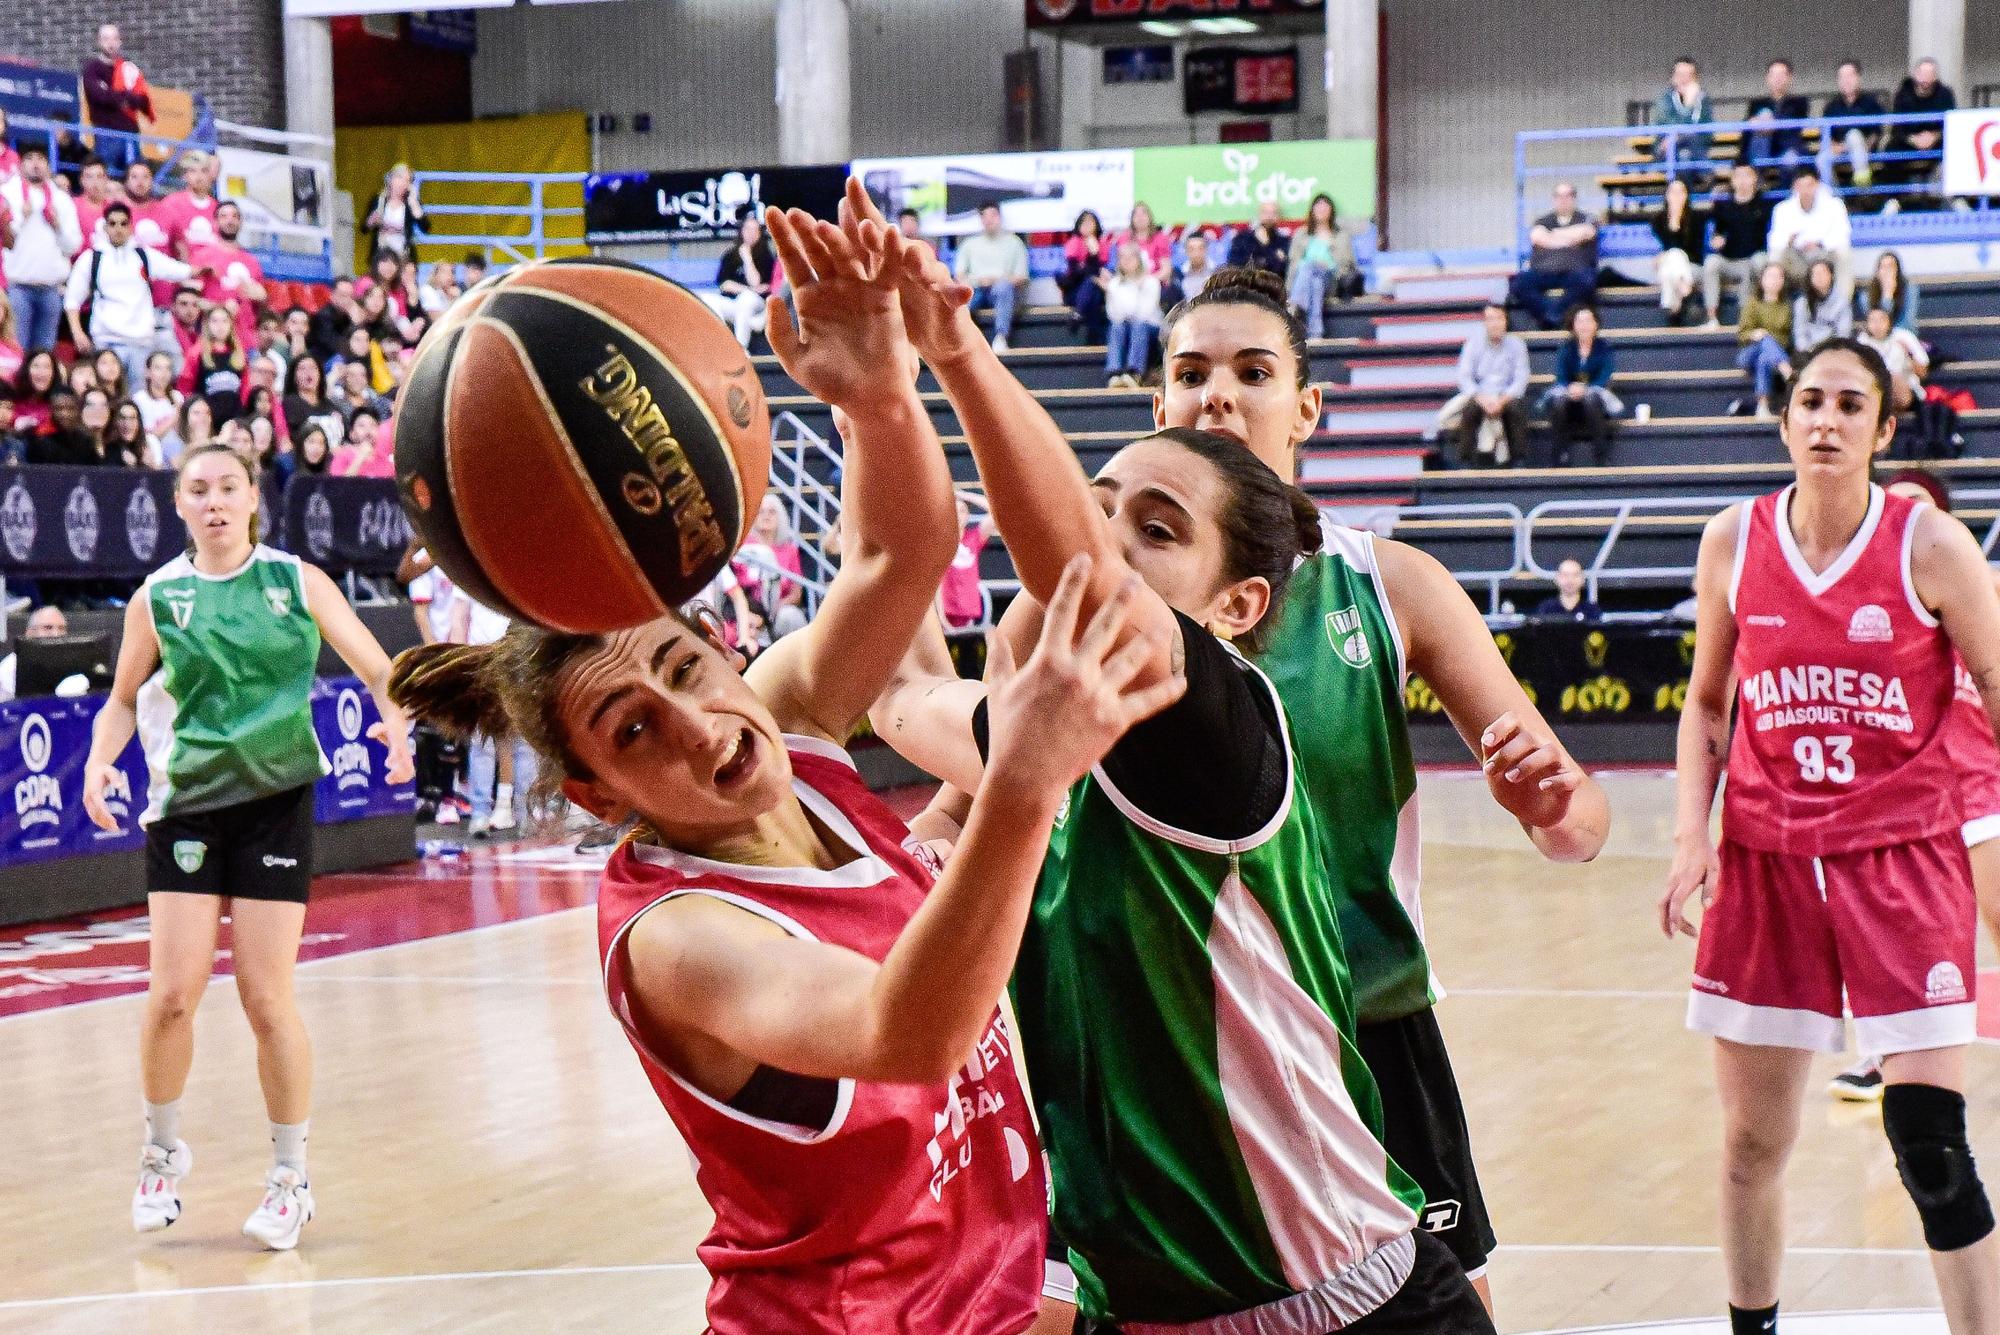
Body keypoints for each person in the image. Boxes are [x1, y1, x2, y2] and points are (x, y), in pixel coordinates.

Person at [386, 197, 1122, 1333]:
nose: (692, 724)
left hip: (997, 1298)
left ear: (722, 650)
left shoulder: (784, 732)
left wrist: (877, 392)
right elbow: (904, 1033)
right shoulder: (676, 939)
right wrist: (1016, 781)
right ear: (597, 795)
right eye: (631, 732)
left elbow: (900, 551)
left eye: (683, 670)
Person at [868, 231, 1603, 1331]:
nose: (1215, 398)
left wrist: (1551, 804)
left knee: (1413, 1290)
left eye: (1251, 374)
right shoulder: (1052, 619)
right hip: (1136, 1037)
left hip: (1356, 1026)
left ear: (1306, 408)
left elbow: (1578, 824)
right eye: (1189, 373)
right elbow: (946, 764)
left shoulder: (1381, 586)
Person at [1661, 338, 2000, 1335]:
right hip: (1768, 864)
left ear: (1882, 430)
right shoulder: (1732, 538)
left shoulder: (1928, 544)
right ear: (1781, 419)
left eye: (1849, 405)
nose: (1823, 419)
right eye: (1807, 400)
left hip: (1902, 859)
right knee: (1750, 1144)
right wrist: (1692, 836)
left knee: (1927, 1137)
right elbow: (1706, 704)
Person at [83, 442, 415, 1250]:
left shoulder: (296, 581)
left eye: (229, 486)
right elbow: (123, 700)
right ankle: (161, 1153)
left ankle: (291, 1180)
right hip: (188, 808)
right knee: (171, 995)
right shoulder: (159, 597)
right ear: (181, 505)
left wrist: (396, 722)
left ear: (252, 500)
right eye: (199, 489)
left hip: (274, 803)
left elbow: (379, 668)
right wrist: (99, 759)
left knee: (267, 998)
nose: (216, 501)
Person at [1833, 471, 2000, 1100]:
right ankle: (1882, 1060)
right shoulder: (1857, 608)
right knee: (1889, 942)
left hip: (1979, 786)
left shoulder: (1980, 587)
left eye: (1918, 507)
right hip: (1899, 802)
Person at [65, 201, 198, 390]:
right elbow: (72, 299)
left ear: (130, 226)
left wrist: (203, 270)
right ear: (105, 227)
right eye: (112, 224)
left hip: (140, 342)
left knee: (137, 398)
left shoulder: (143, 255)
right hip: (106, 341)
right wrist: (77, 332)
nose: (118, 229)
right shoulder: (92, 258)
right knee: (107, 396)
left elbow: (177, 270)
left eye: (123, 223)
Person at [2, 142, 84, 352]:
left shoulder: (62, 200)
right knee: (16, 347)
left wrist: (57, 226)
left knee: (44, 354)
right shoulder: (7, 195)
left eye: (40, 159)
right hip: (17, 286)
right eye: (29, 158)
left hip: (51, 288)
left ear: (48, 165)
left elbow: (73, 245)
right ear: (20, 164)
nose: (35, 164)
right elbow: (4, 240)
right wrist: (21, 217)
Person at [1510, 183, 1599, 331]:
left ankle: (1553, 315)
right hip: (1544, 270)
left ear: (1574, 198)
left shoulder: (1587, 218)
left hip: (1575, 270)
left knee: (1587, 282)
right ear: (1554, 199)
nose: (1562, 200)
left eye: (1567, 195)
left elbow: (1586, 232)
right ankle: (1552, 314)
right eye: (1558, 196)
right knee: (1519, 283)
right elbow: (1537, 236)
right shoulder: (1542, 220)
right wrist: (1571, 238)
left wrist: (1552, 236)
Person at [1452, 303, 1529, 467]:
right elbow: (1464, 377)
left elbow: (1521, 380)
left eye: (1498, 318)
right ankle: (1465, 462)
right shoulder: (1472, 344)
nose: (1495, 323)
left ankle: (1519, 461)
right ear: (1485, 323)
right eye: (1490, 319)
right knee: (1470, 408)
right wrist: (1482, 399)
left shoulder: (1517, 345)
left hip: (1506, 395)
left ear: (1505, 321)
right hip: (1482, 395)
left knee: (1516, 407)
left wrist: (1501, 401)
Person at [1543, 305, 1618, 466]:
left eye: (1588, 321)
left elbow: (1605, 376)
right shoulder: (1566, 348)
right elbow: (1561, 376)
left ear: (1595, 324)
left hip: (1594, 399)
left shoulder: (1603, 348)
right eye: (1580, 321)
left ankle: (1601, 454)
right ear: (1573, 325)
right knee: (1557, 402)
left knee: (1592, 399)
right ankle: (1559, 454)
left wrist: (1585, 389)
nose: (1584, 325)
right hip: (1570, 398)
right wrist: (1570, 388)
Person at [1769, 165, 1852, 306]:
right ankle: (1773, 306)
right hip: (1797, 259)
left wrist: (1819, 243)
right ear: (1795, 186)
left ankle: (1842, 305)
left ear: (1817, 185)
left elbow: (1842, 235)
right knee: (1775, 257)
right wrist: (1790, 241)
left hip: (1824, 256)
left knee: (1844, 254)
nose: (1805, 191)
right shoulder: (1782, 209)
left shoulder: (1834, 205)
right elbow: (1775, 241)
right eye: (1801, 186)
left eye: (1809, 185)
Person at [191, 202, 268, 351]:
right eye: (224, 216)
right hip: (213, 341)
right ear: (215, 222)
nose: (230, 220)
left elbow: (260, 307)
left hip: (247, 341)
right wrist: (222, 308)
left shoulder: (252, 261)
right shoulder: (202, 258)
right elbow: (193, 301)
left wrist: (264, 299)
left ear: (240, 222)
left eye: (235, 216)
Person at [1883, 58, 1959, 206]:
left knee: (1956, 148)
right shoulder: (1903, 95)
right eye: (1922, 73)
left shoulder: (1945, 94)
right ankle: (1893, 199)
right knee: (1890, 150)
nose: (1925, 78)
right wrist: (1913, 139)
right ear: (1915, 75)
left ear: (1936, 76)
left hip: (1937, 141)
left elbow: (1952, 123)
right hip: (1909, 142)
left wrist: (1935, 136)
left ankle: (1957, 198)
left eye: (1929, 74)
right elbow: (1897, 127)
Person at [956, 202, 1029, 352]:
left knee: (1003, 288)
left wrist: (997, 280)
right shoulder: (969, 244)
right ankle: (958, 340)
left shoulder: (1014, 243)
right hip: (976, 287)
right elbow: (959, 275)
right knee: (964, 294)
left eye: (993, 215)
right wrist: (975, 282)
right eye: (985, 216)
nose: (989, 220)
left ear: (1000, 217)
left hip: (1004, 289)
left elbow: (1021, 277)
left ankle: (1001, 337)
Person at [734, 493, 808, 641]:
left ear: (780, 517)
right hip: (747, 608)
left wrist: (776, 609)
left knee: (791, 616)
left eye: (772, 512)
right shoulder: (743, 547)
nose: (766, 516)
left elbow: (796, 593)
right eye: (760, 511)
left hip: (778, 610)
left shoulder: (790, 550)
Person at [1285, 192, 1360, 337]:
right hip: (1307, 281)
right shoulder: (1301, 234)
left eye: (1325, 209)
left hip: (1332, 279)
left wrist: (1327, 265)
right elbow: (1294, 263)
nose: (1321, 212)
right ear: (1312, 211)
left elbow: (1348, 265)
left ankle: (1295, 305)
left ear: (1331, 212)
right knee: (1314, 280)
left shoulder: (1341, 236)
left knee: (1314, 270)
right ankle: (1315, 333)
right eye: (1318, 209)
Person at [80, 24, 151, 172]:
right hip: (106, 134)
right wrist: (126, 97)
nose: (110, 43)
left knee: (135, 177)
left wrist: (115, 96)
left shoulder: (128, 67)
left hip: (131, 133)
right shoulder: (92, 69)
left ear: (120, 41)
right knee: (108, 175)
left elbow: (143, 100)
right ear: (99, 42)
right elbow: (100, 96)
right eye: (106, 39)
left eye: (114, 39)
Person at [1098, 241, 1162, 389]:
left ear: (1138, 260)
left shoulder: (1151, 282)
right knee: (1116, 327)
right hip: (1125, 327)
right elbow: (1114, 314)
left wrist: (1137, 288)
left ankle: (1134, 373)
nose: (1126, 261)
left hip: (1150, 330)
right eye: (1122, 258)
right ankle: (1114, 373)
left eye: (1130, 257)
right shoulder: (1114, 284)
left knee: (1139, 326)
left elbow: (1144, 314)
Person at [1738, 262, 1795, 420]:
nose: (1774, 280)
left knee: (1765, 357)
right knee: (1765, 338)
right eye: (1770, 276)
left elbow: (1788, 337)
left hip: (1774, 353)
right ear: (1762, 279)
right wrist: (1754, 334)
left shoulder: (1787, 306)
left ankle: (1762, 406)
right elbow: (1742, 334)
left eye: (1778, 276)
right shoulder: (1753, 303)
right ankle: (1786, 370)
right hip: (1750, 352)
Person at [708, 214, 773, 351]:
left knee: (746, 298)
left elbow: (757, 284)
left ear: (760, 234)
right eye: (748, 229)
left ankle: (741, 348)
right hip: (733, 304)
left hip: (756, 304)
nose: (751, 234)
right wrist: (748, 289)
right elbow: (724, 285)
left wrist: (747, 258)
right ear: (742, 231)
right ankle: (724, 343)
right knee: (708, 299)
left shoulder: (766, 257)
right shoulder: (730, 256)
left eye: (755, 230)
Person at [1821, 60, 1887, 190]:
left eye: (1850, 76)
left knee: (1854, 135)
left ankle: (1863, 187)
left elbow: (1876, 133)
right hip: (1839, 151)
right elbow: (1828, 136)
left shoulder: (1871, 103)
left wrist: (1856, 145)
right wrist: (1838, 147)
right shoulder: (1831, 107)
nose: (1846, 80)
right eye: (1842, 77)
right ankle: (1836, 199)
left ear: (1858, 78)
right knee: (1821, 159)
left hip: (1865, 150)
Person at [938, 491, 997, 631]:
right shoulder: (940, 542)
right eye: (955, 511)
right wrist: (940, 615)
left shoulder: (974, 538)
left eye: (963, 511)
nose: (959, 515)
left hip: (967, 610)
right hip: (946, 609)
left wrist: (965, 496)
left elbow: (996, 513)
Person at [1650, 177, 1705, 324]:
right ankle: (1682, 287)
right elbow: (1669, 248)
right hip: (1671, 265)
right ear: (1667, 195)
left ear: (1687, 195)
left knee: (1674, 256)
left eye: (1681, 192)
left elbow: (1694, 251)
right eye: (1672, 192)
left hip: (1692, 265)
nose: (1676, 196)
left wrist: (1667, 255)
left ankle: (1673, 307)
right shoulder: (1659, 220)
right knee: (1672, 258)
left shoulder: (1696, 219)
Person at [1745, 59, 1812, 170]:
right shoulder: (1756, 103)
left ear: (1790, 78)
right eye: (1774, 75)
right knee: (1758, 141)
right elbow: (1748, 125)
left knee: (1791, 159)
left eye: (1781, 75)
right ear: (1767, 78)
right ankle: (1758, 183)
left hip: (1788, 147)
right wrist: (1761, 124)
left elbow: (1794, 123)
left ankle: (1786, 187)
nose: (1777, 79)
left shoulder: (1799, 102)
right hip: (1762, 148)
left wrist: (1770, 123)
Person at [1653, 57, 1715, 173]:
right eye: (1680, 75)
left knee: (1687, 155)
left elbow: (1707, 134)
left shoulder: (1703, 99)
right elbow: (1669, 128)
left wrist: (1680, 135)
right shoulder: (1665, 100)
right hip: (1667, 152)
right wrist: (1688, 105)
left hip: (1696, 149)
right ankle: (1706, 176)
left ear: (1696, 79)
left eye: (1689, 76)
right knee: (1684, 158)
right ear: (1673, 78)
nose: (1684, 80)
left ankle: (1704, 178)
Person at [190, 305, 248, 428]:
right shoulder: (196, 353)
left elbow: (245, 390)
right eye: (214, 321)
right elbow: (186, 387)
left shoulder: (239, 355)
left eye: (224, 321)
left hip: (234, 419)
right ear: (207, 324)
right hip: (207, 420)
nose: (220, 326)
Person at [0, 605, 72, 702]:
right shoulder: (10, 668)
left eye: (61, 628)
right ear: (29, 633)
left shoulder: (72, 663)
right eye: (48, 628)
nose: (56, 634)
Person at [1059, 209, 1109, 345]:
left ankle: (1078, 315)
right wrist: (1092, 257)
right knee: (1091, 284)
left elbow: (1098, 270)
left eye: (1090, 222)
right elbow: (1076, 273)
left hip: (1094, 290)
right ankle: (1095, 335)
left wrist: (1094, 254)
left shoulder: (1101, 243)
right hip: (1074, 290)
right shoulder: (1074, 242)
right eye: (1084, 222)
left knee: (1094, 290)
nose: (1087, 225)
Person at [157, 150, 220, 258]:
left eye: (204, 171)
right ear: (185, 175)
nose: (199, 176)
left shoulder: (218, 208)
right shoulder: (171, 203)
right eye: (193, 171)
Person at [362, 164, 425, 265]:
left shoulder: (411, 203)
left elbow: (425, 228)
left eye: (407, 181)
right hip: (381, 256)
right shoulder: (378, 200)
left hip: (403, 257)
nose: (403, 184)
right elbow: (364, 229)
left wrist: (415, 205)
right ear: (391, 179)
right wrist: (371, 221)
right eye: (400, 179)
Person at [1793, 257, 1852, 352]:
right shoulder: (1802, 303)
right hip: (1808, 351)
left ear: (1831, 275)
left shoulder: (1842, 302)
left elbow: (1843, 334)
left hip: (1833, 351)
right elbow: (1800, 334)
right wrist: (1807, 351)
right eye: (1815, 274)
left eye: (1823, 272)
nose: (1819, 277)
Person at [282, 354, 340, 448]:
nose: (308, 372)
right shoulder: (290, 403)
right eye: (302, 368)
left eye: (313, 368)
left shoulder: (330, 405)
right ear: (294, 376)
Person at [1859, 250, 1920, 334]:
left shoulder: (1909, 289)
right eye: (1883, 267)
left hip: (1903, 337)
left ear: (1897, 271)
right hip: (1877, 339)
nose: (1887, 271)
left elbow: (1908, 323)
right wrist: (1887, 296)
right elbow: (1876, 325)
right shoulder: (1866, 295)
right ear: (1877, 272)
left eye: (1890, 267)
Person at [1225, 198, 1288, 274]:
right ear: (1259, 214)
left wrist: (1266, 246)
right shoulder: (1242, 239)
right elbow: (1235, 265)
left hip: (1274, 284)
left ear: (1279, 217)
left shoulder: (1284, 242)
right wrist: (1273, 257)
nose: (1269, 217)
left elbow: (1282, 269)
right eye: (1266, 212)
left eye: (1274, 213)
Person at [130, 350, 183, 438]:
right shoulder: (139, 400)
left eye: (168, 368)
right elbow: (150, 437)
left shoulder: (177, 396)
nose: (164, 373)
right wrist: (175, 416)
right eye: (158, 368)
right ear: (147, 372)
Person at [331, 407, 392, 478]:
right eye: (361, 426)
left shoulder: (384, 459)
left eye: (373, 425)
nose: (368, 430)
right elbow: (338, 485)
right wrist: (361, 457)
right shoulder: (341, 456)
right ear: (352, 434)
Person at [1534, 559, 1602, 620]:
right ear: (1557, 579)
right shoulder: (1546, 609)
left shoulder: (1591, 610)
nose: (1570, 580)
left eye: (1575, 575)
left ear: (1583, 579)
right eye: (1565, 575)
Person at [11, 348, 57, 438]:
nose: (42, 372)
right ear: (26, 370)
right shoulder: (12, 401)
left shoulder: (57, 405)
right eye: (36, 366)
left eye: (47, 367)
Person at [161, 395, 214, 468]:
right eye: (196, 413)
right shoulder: (172, 440)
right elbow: (179, 467)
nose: (203, 417)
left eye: (207, 413)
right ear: (186, 417)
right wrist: (200, 442)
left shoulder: (212, 441)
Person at [106, 398, 158, 468]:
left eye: (132, 418)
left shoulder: (147, 447)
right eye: (122, 418)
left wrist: (151, 467)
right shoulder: (107, 450)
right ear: (115, 422)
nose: (127, 424)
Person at [1178, 230, 1220, 300]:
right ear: (1186, 251)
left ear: (1206, 249)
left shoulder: (1216, 272)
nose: (1196, 253)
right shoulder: (1179, 274)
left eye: (1200, 248)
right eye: (1191, 249)